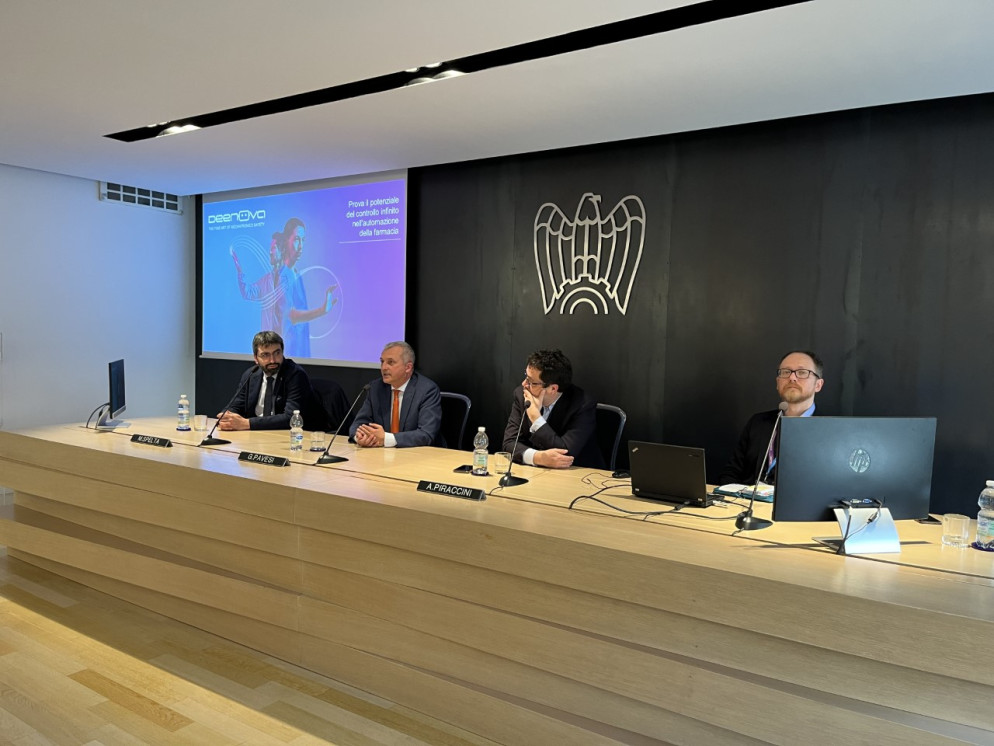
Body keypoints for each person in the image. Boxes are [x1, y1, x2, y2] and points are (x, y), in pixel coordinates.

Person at [718, 350, 825, 485]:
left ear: (818, 385)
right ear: (777, 382)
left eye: (802, 372)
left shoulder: (831, 430)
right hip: (749, 497)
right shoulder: (758, 423)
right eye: (785, 372)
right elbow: (731, 473)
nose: (792, 378)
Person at [502, 349, 604, 469]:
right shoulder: (522, 395)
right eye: (526, 377)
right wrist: (538, 458)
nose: (524, 384)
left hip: (577, 473)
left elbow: (566, 454)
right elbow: (509, 444)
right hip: (535, 472)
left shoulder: (582, 404)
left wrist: (536, 418)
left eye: (532, 382)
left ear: (553, 389)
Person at [217, 330, 320, 431]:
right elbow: (236, 406)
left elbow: (291, 417)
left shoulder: (295, 375)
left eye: (277, 353)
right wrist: (226, 417)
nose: (272, 360)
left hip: (288, 435)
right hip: (255, 434)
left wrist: (247, 423)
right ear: (256, 358)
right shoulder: (251, 375)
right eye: (265, 355)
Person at [349, 341, 442, 448]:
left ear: (408, 367)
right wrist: (360, 438)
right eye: (382, 361)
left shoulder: (426, 390)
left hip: (418, 454)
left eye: (390, 362)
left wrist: (386, 439)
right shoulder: (375, 388)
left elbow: (426, 434)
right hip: (381, 453)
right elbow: (359, 424)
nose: (384, 367)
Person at [274, 217, 337, 358]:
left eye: (303, 240)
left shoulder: (296, 274)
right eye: (297, 239)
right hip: (290, 352)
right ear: (286, 241)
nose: (301, 246)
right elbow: (290, 315)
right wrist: (321, 310)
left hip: (301, 350)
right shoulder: (284, 276)